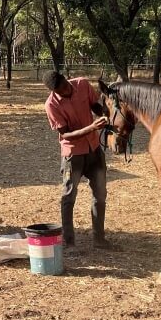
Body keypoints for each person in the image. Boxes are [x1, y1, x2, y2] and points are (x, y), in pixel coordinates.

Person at [43, 71, 109, 247]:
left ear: (66, 78)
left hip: (94, 149)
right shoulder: (51, 105)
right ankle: (68, 240)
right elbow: (65, 134)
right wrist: (91, 127)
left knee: (100, 194)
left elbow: (94, 105)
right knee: (69, 196)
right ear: (54, 92)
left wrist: (105, 111)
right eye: (60, 91)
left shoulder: (82, 84)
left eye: (65, 86)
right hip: (73, 155)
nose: (65, 91)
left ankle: (99, 238)